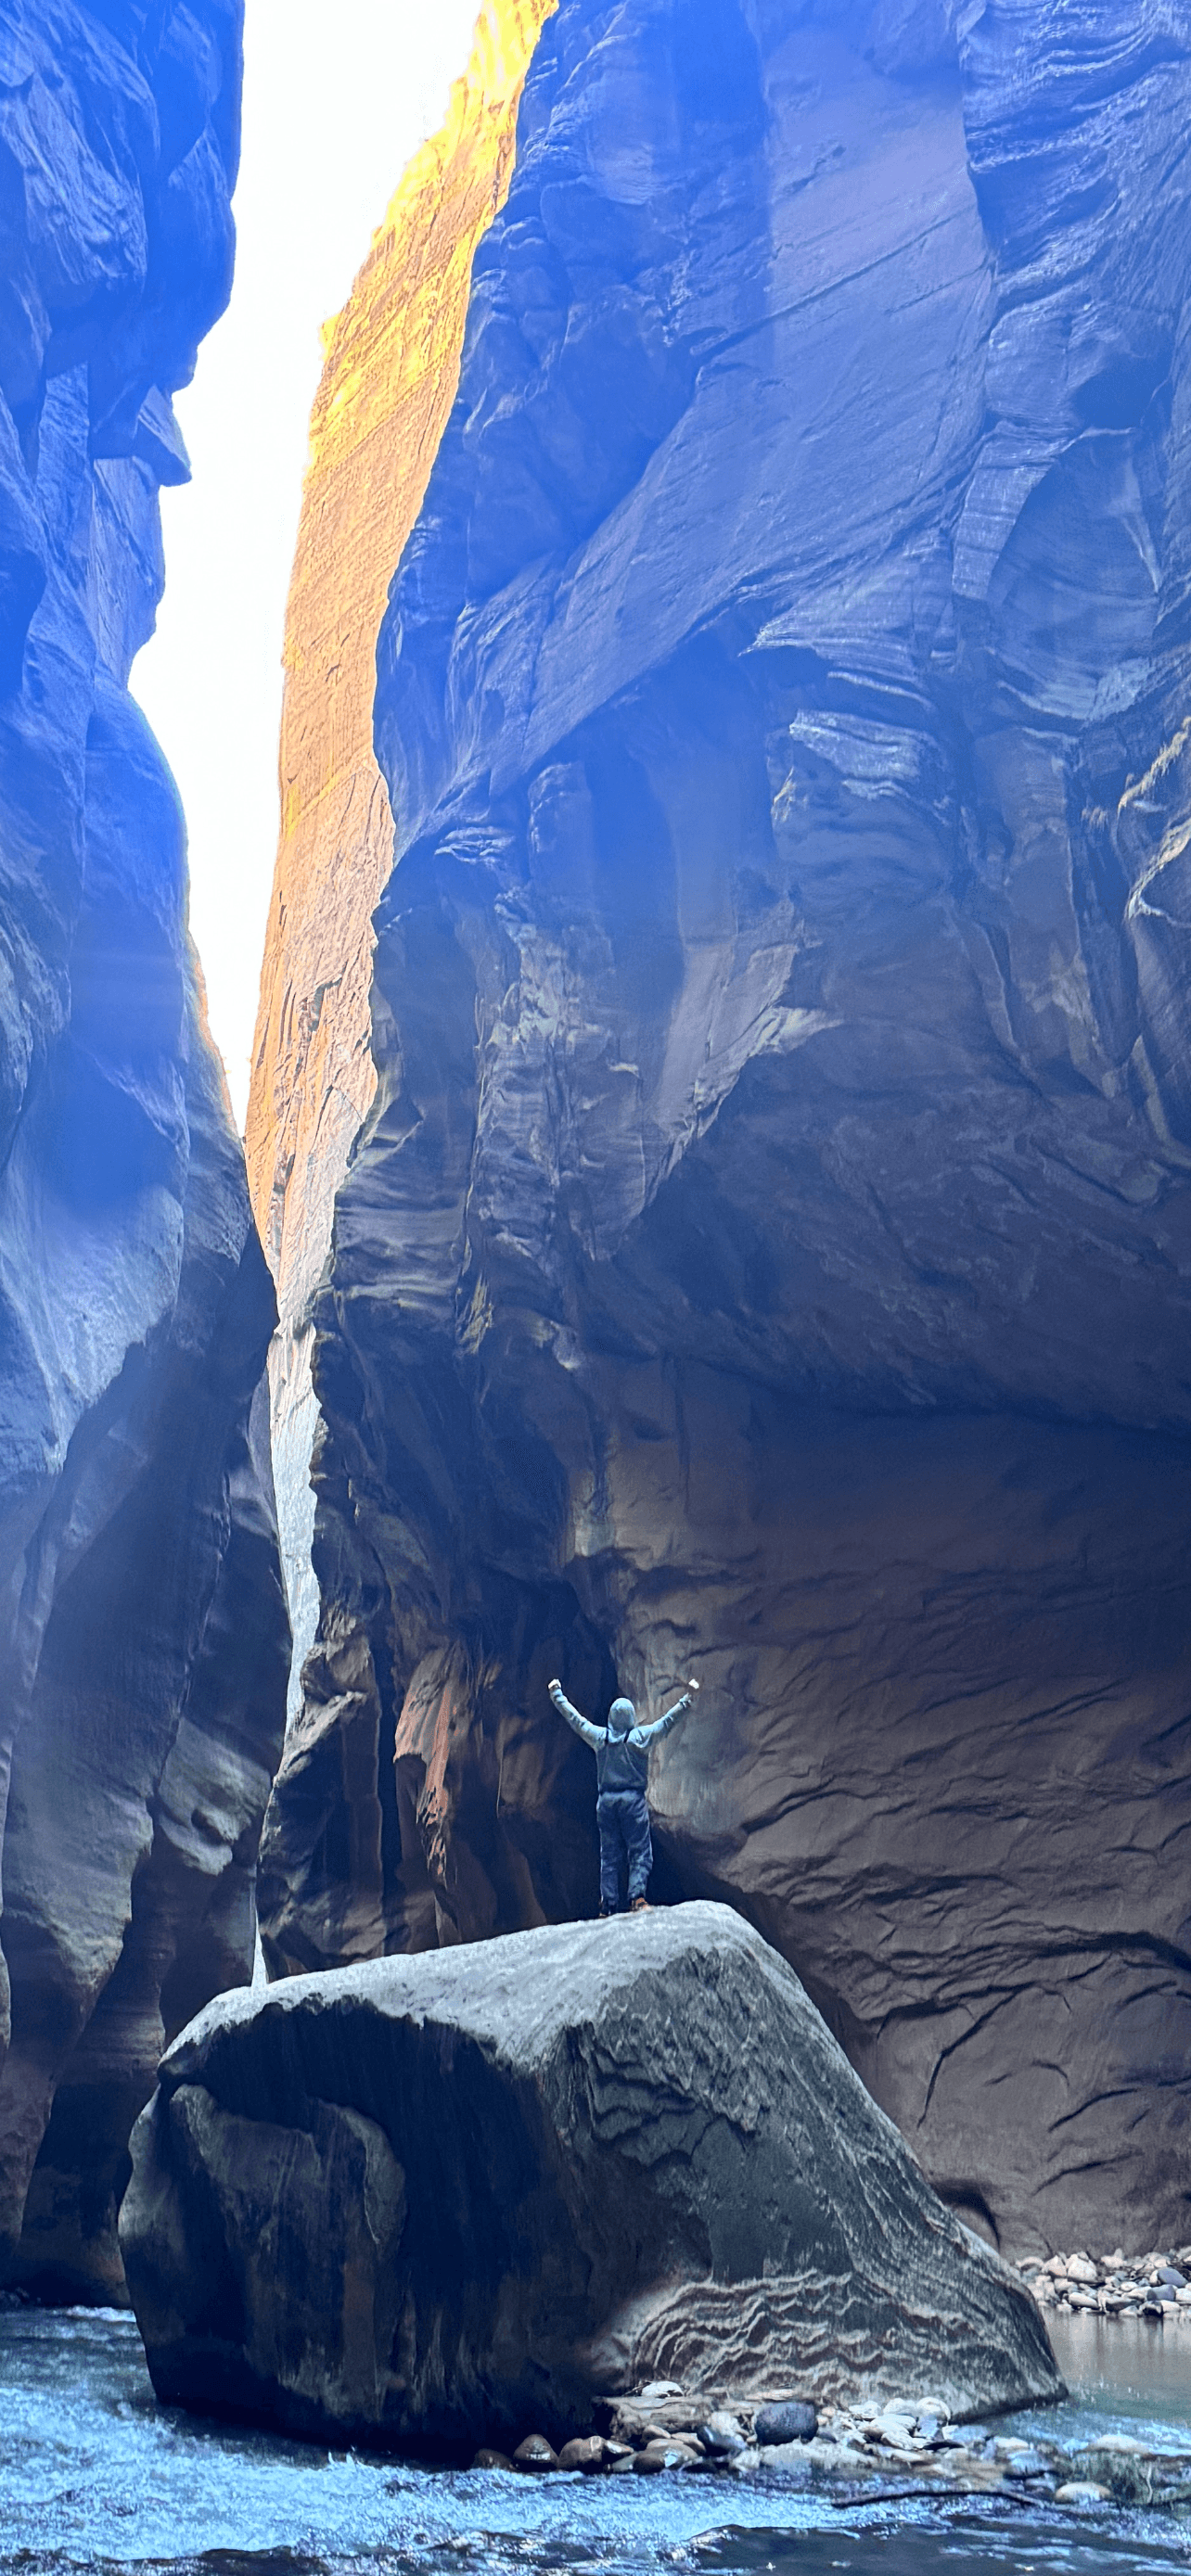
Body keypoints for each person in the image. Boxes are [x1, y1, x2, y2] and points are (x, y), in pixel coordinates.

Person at [547, 1673, 699, 1916]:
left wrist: (557, 1695)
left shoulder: (600, 1738)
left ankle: (607, 1906)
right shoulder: (639, 1738)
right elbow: (666, 1723)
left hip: (606, 1803)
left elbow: (576, 1721)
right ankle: (637, 1898)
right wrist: (687, 1700)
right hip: (633, 1803)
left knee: (609, 1856)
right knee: (639, 1851)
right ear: (631, 1718)